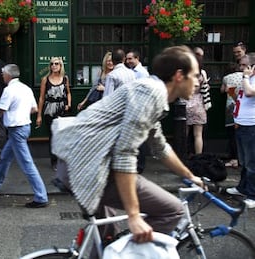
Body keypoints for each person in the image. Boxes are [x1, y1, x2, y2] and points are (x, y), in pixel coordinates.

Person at [52, 45, 204, 243]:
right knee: (173, 210)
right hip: (91, 168)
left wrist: (189, 175)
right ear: (178, 75)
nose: (198, 82)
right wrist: (133, 216)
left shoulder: (150, 91)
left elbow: (160, 147)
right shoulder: (152, 93)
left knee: (107, 238)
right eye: (194, 75)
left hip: (77, 163)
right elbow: (125, 154)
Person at [0, 64, 49, 208]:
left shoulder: (9, 90)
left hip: (16, 129)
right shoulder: (26, 88)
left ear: (9, 75)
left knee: (27, 164)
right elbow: (34, 109)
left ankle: (41, 196)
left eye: (3, 73)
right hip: (24, 127)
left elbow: (1, 110)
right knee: (5, 157)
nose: (2, 75)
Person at [226, 52, 255, 209]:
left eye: (244, 65)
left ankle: (252, 194)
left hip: (252, 125)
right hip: (241, 123)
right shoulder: (248, 80)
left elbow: (250, 93)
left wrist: (244, 78)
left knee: (252, 162)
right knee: (243, 160)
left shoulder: (250, 80)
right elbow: (239, 96)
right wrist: (233, 90)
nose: (241, 68)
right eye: (241, 65)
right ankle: (242, 188)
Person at [36, 57, 71, 171]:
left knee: (63, 135)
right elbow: (41, 98)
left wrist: (69, 103)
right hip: (49, 109)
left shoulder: (65, 79)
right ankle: (54, 161)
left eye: (57, 64)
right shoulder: (45, 79)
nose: (54, 66)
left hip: (62, 109)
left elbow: (68, 92)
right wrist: (39, 115)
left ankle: (63, 160)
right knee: (53, 136)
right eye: (52, 64)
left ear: (61, 66)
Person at [125, 50, 150, 174]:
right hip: (134, 108)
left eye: (130, 59)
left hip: (140, 108)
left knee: (140, 138)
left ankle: (140, 165)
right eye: (127, 59)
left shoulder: (141, 73)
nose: (128, 61)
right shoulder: (132, 72)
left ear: (137, 58)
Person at [185, 47, 211, 155]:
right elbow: (206, 87)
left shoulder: (187, 74)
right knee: (198, 135)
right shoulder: (202, 74)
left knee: (184, 134)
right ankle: (198, 157)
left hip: (186, 103)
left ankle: (182, 154)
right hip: (199, 104)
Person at [220, 62, 242, 168]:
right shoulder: (244, 76)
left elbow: (223, 90)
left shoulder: (226, 78)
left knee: (231, 133)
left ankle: (234, 159)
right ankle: (241, 158)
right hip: (242, 106)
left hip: (230, 106)